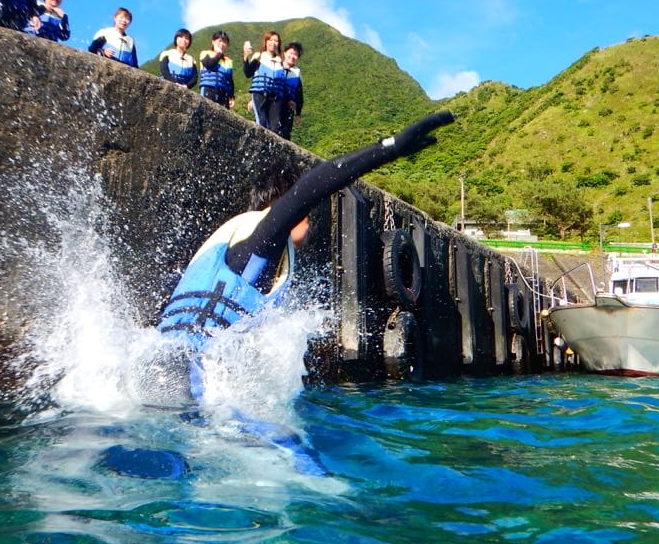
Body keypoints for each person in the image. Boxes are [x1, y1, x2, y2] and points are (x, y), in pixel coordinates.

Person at [158, 110, 455, 340]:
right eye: (306, 213)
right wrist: (389, 148)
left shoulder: (236, 250)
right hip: (183, 378)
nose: (308, 219)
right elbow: (313, 184)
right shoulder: (262, 243)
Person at [243, 30, 284, 132]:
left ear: (278, 44)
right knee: (261, 123)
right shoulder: (259, 56)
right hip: (259, 94)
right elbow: (248, 73)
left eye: (276, 41)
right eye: (270, 40)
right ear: (265, 41)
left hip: (275, 97)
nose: (273, 43)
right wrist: (245, 56)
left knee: (275, 128)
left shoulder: (280, 61)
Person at [198, 30, 235, 108]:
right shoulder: (205, 53)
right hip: (208, 89)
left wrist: (231, 96)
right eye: (219, 41)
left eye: (224, 42)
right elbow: (209, 64)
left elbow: (230, 80)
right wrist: (218, 54)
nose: (222, 44)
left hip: (224, 93)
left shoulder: (228, 61)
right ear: (213, 41)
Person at [278, 42, 304, 140]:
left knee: (285, 134)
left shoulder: (297, 73)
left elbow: (299, 94)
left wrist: (298, 113)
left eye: (296, 55)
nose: (293, 56)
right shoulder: (277, 66)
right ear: (284, 53)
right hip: (275, 104)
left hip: (289, 109)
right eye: (291, 53)